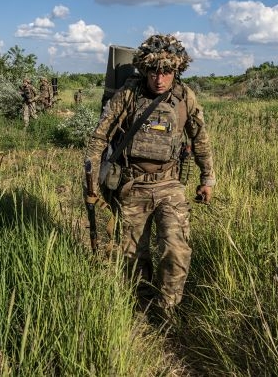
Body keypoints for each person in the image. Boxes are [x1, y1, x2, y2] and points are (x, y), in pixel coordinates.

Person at [83, 34, 216, 317]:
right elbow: (99, 138)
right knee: (133, 253)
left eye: (167, 72)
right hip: (133, 184)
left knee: (176, 248)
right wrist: (92, 181)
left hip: (169, 184)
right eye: (154, 71)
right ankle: (141, 306)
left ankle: (168, 307)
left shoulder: (184, 97)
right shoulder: (128, 95)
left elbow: (200, 139)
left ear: (176, 71)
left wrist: (207, 179)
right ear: (144, 69)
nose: (159, 79)